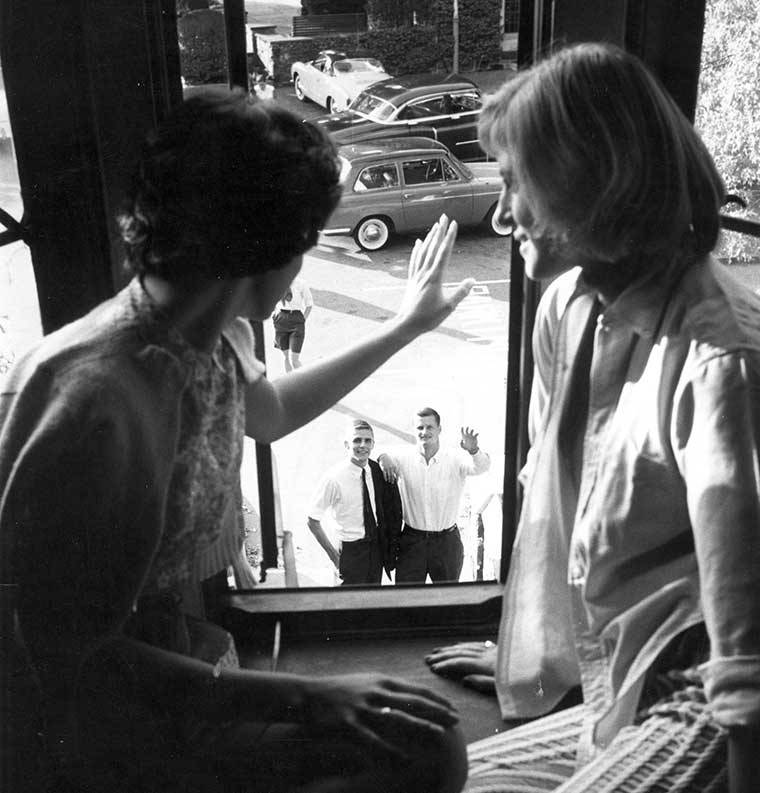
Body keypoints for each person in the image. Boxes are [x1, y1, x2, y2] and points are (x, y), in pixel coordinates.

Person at [0, 87, 473, 793]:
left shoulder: (216, 326)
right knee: (424, 754)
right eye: (307, 239)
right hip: (100, 721)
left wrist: (405, 325)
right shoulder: (99, 401)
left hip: (183, 661)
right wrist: (306, 694)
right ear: (266, 246)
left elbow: (270, 413)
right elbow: (67, 660)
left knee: (428, 744)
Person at [424, 43, 760, 792]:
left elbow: (747, 654)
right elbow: (566, 511)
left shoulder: (720, 361)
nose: (500, 212)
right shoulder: (567, 309)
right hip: (619, 695)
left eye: (517, 184)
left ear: (589, 181)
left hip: (700, 707)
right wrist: (534, 653)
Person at [378, 408, 490, 584]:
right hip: (412, 542)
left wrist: (474, 450)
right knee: (407, 599)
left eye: (430, 427)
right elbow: (378, 452)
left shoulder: (455, 458)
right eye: (420, 428)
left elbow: (481, 468)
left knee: (447, 600)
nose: (425, 432)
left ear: (439, 429)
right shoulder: (403, 457)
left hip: (446, 542)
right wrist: (383, 457)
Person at [307, 419, 402, 585]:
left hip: (375, 549)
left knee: (372, 602)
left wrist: (383, 456)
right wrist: (333, 556)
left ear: (373, 444)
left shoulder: (375, 470)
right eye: (357, 440)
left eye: (367, 441)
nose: (362, 445)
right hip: (350, 550)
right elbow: (312, 520)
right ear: (346, 444)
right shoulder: (334, 478)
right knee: (350, 603)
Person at [273, 275, 313, 371]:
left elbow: (309, 304)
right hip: (281, 319)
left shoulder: (301, 283)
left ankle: (305, 381)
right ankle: (290, 382)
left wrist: (302, 320)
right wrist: (275, 315)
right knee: (286, 357)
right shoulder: (277, 283)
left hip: (296, 319)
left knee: (294, 359)